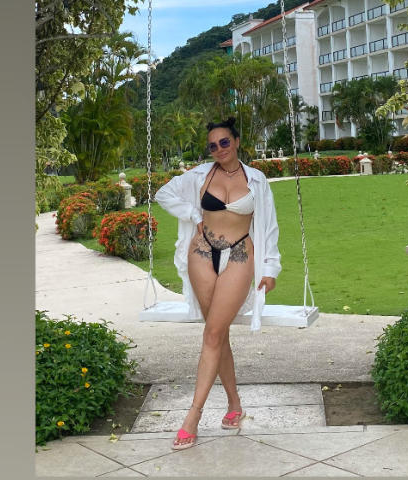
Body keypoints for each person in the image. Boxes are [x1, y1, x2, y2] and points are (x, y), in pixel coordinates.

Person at [154, 117, 282, 450]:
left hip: (239, 253)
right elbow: (163, 194)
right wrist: (194, 215)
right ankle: (234, 404)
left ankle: (193, 416)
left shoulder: (256, 180)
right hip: (201, 252)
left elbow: (269, 227)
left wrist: (270, 268)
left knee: (212, 333)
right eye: (213, 145)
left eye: (224, 142)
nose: (219, 149)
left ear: (236, 142)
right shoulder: (199, 175)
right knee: (216, 332)